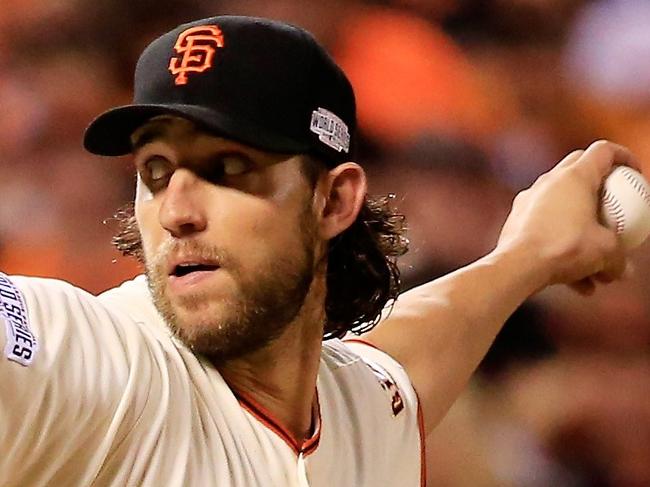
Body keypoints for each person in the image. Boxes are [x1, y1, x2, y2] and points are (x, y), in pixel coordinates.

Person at [0, 15, 635, 486]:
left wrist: (525, 258)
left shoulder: (360, 415)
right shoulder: (99, 362)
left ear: (332, 201)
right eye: (157, 171)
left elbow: (411, 356)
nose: (178, 212)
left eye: (227, 168)